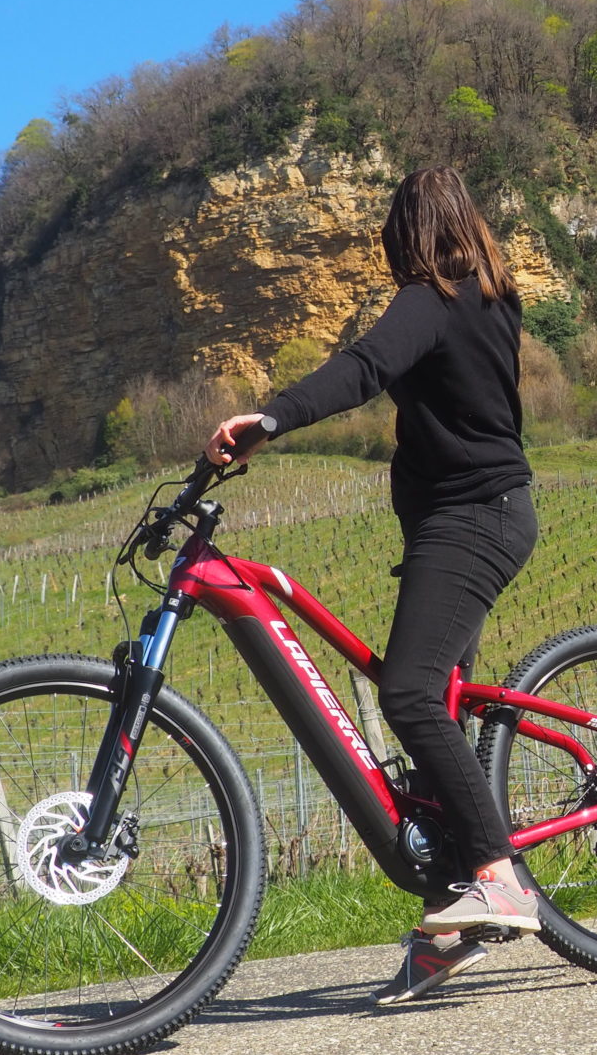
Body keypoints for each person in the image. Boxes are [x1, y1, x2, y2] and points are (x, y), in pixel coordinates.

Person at [206, 165, 538, 1005]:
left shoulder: (433, 299)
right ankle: (450, 922)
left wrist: (269, 419)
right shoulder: (496, 301)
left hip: (472, 519)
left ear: (406, 236)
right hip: (472, 517)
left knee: (410, 697)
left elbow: (362, 368)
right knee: (436, 708)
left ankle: (499, 877)